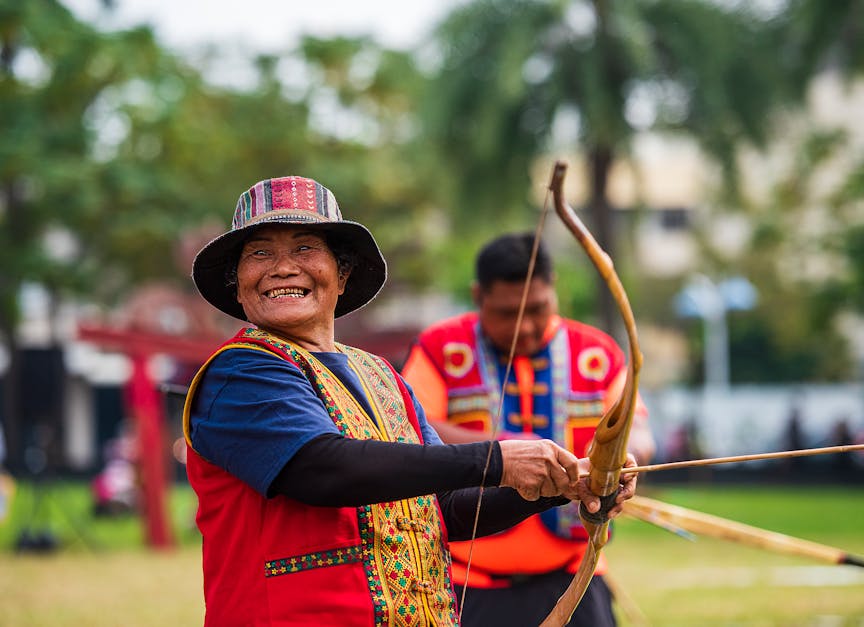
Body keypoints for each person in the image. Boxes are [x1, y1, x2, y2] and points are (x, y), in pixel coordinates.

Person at [182, 176, 638, 627]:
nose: (282, 267)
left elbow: (447, 507)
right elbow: (321, 468)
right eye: (260, 253)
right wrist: (497, 459)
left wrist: (561, 484)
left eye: (304, 248)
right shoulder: (240, 371)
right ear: (237, 283)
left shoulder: (381, 375)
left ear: (341, 275)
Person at [401, 232, 655, 627]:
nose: (526, 327)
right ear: (478, 296)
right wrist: (509, 452)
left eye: (538, 308)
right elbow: (413, 428)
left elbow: (635, 428)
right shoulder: (441, 348)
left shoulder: (596, 352)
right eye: (507, 313)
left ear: (553, 289)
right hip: (468, 582)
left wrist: (621, 460)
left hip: (575, 574)